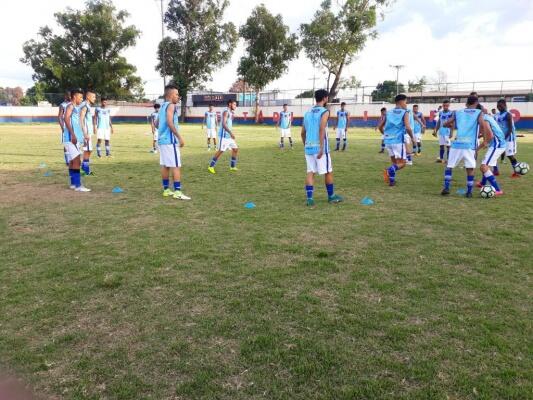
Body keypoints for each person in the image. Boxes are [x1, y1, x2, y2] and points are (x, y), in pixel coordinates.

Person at [301, 89, 343, 206]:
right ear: (324, 98)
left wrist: (306, 145)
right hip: (320, 149)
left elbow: (302, 133)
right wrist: (321, 147)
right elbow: (321, 128)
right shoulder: (325, 112)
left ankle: (310, 199)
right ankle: (331, 196)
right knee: (328, 171)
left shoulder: (307, 113)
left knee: (310, 172)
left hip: (308, 148)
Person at [440, 95, 489, 198]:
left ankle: (446, 187)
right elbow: (483, 125)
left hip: (457, 144)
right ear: (476, 102)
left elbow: (446, 123)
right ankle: (469, 192)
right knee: (470, 168)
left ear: (467, 102)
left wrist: (446, 125)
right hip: (469, 145)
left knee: (449, 166)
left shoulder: (458, 112)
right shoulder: (478, 112)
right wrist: (485, 140)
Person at [157, 85, 191, 200]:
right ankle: (177, 192)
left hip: (161, 140)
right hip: (170, 141)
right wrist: (179, 137)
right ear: (171, 95)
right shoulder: (171, 106)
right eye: (176, 94)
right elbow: (170, 122)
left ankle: (166, 190)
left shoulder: (162, 107)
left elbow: (157, 123)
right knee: (176, 165)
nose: (178, 97)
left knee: (166, 165)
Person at [379, 94, 415, 186]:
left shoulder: (388, 113)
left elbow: (380, 127)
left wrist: (386, 135)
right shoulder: (405, 112)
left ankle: (392, 181)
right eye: (405, 102)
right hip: (398, 141)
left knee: (394, 163)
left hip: (388, 141)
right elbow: (408, 127)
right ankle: (389, 170)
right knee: (402, 163)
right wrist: (413, 139)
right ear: (401, 101)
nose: (406, 104)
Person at [63, 88, 91, 192]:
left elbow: (77, 123)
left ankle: (73, 184)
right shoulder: (70, 106)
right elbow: (65, 118)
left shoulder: (77, 108)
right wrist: (73, 134)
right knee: (77, 161)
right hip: (70, 138)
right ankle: (79, 185)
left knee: (73, 161)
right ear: (74, 96)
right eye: (80, 97)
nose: (81, 99)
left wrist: (83, 135)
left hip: (74, 138)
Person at [476, 106, 506, 195]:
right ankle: (482, 183)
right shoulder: (487, 117)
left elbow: (490, 136)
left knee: (483, 166)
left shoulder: (484, 120)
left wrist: (477, 149)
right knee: (486, 164)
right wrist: (481, 136)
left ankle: (497, 190)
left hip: (497, 145)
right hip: (498, 144)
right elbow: (489, 131)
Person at [208, 99, 239, 174]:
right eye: (234, 104)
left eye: (235, 105)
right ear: (229, 104)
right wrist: (231, 133)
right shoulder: (226, 112)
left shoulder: (230, 112)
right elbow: (224, 124)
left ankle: (232, 166)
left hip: (229, 136)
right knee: (221, 151)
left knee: (235, 149)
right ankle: (211, 166)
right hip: (224, 136)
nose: (235, 106)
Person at [495, 99, 520, 178]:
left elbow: (510, 129)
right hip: (500, 138)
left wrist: (504, 138)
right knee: (494, 154)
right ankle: (495, 171)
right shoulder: (497, 115)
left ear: (505, 105)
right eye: (498, 106)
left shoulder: (508, 114)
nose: (499, 107)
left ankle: (516, 172)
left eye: (500, 106)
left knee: (510, 156)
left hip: (509, 139)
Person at [79, 90, 97, 176]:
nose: (95, 98)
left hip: (88, 132)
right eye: (93, 97)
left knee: (89, 150)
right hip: (85, 132)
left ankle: (84, 169)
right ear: (88, 97)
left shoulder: (88, 105)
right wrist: (85, 133)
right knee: (87, 151)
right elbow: (81, 119)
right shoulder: (85, 105)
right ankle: (85, 171)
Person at [58, 91, 71, 165]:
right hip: (66, 127)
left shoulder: (72, 104)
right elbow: (59, 117)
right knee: (66, 144)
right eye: (69, 95)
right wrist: (63, 128)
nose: (70, 97)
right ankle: (67, 161)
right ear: (65, 96)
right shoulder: (62, 105)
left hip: (72, 128)